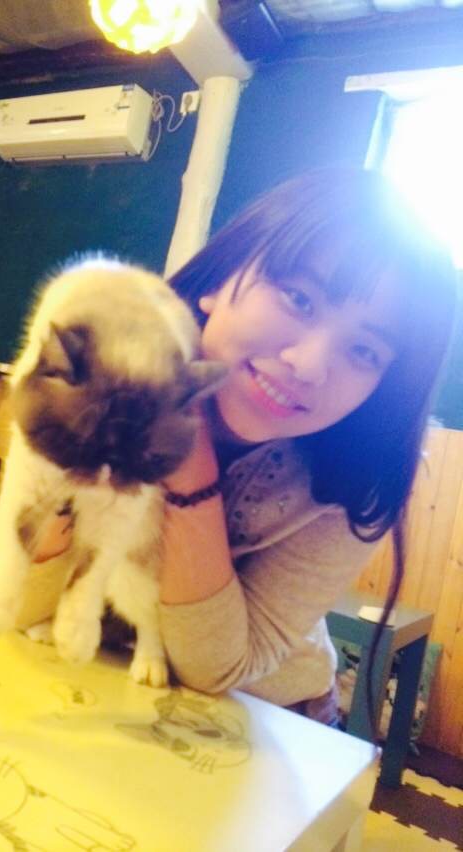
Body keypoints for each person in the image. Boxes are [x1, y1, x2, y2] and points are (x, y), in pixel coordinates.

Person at [156, 166, 457, 725]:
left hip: (272, 715)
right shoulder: (107, 352)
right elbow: (32, 573)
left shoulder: (363, 472)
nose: (309, 365)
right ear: (220, 278)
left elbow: (216, 667)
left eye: (364, 352)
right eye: (298, 298)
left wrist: (184, 444)